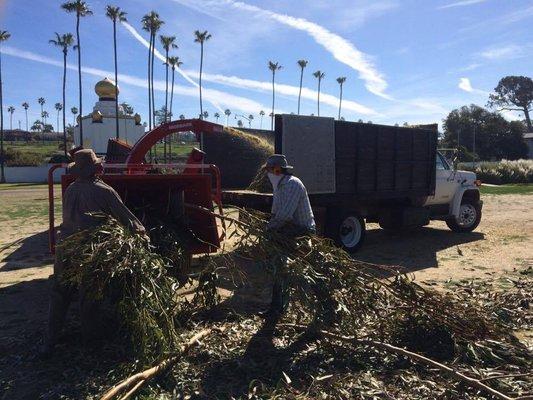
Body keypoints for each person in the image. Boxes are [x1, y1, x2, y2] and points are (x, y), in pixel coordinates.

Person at [43, 149, 145, 355]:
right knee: (89, 295)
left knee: (60, 294)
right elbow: (127, 218)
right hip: (88, 250)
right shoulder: (104, 191)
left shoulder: (71, 189)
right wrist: (143, 235)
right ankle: (91, 342)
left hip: (66, 248)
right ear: (95, 168)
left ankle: (50, 340)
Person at [263, 154, 316, 318]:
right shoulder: (279, 186)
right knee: (277, 265)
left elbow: (285, 215)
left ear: (278, 170)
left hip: (301, 230)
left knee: (282, 266)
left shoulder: (292, 184)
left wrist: (269, 229)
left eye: (270, 170)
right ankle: (276, 306)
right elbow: (275, 213)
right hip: (287, 228)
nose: (268, 173)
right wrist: (268, 225)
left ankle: (280, 307)